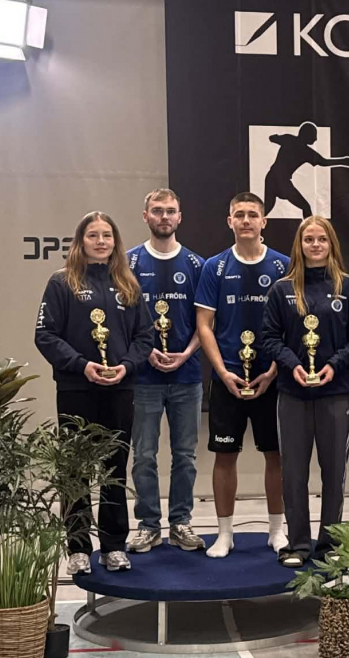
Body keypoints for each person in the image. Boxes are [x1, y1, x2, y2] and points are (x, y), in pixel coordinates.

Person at [34, 211, 155, 573]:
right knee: (75, 470)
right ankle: (77, 548)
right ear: (80, 241)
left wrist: (126, 366)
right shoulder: (62, 282)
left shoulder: (128, 284)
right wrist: (81, 365)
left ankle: (114, 546)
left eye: (107, 235)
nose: (101, 241)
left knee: (114, 467)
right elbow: (45, 335)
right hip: (76, 388)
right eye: (93, 235)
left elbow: (145, 336)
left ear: (115, 242)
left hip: (120, 388)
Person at [261, 216, 349, 566]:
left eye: (321, 239)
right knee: (293, 472)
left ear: (331, 243)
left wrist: (335, 364)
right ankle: (297, 544)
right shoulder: (281, 290)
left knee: (334, 472)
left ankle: (329, 546)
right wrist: (293, 364)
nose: (315, 245)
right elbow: (268, 337)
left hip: (335, 393)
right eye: (308, 239)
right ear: (299, 245)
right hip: (292, 394)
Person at [195, 192, 290, 558]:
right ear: (230, 221)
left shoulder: (283, 266)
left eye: (253, 214)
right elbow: (204, 325)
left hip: (272, 378)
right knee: (224, 456)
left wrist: (274, 369)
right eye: (239, 215)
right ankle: (224, 534)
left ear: (264, 222)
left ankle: (277, 530)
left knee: (276, 455)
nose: (246, 220)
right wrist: (221, 372)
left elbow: (292, 326)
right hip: (228, 378)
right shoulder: (214, 267)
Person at [126, 189, 206, 554]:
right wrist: (147, 352)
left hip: (186, 376)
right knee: (143, 455)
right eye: (157, 211)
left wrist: (185, 353)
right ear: (145, 216)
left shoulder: (197, 265)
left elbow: (206, 323)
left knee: (185, 455)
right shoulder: (128, 263)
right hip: (143, 377)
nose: (164, 217)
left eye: (170, 211)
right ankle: (147, 525)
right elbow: (122, 322)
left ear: (180, 217)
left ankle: (180, 522)